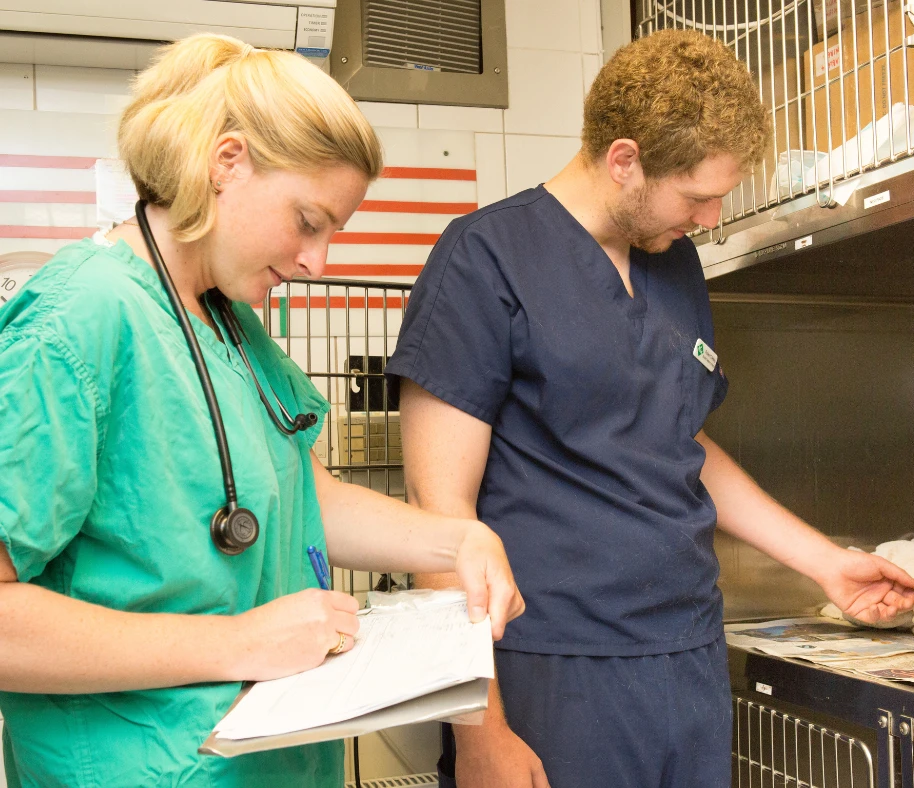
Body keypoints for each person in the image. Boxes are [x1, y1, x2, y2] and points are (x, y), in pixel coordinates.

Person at [385, 29, 914, 788]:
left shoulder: (673, 265)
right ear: (625, 161)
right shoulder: (483, 261)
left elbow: (681, 444)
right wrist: (482, 731)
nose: (708, 220)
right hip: (556, 667)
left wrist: (825, 564)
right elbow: (435, 513)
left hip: (686, 658)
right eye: (699, 197)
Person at [0, 34, 523, 788]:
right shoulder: (80, 319)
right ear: (227, 163)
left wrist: (454, 541)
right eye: (309, 221)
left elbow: (301, 497)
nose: (319, 261)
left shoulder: (231, 322)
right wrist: (238, 643)